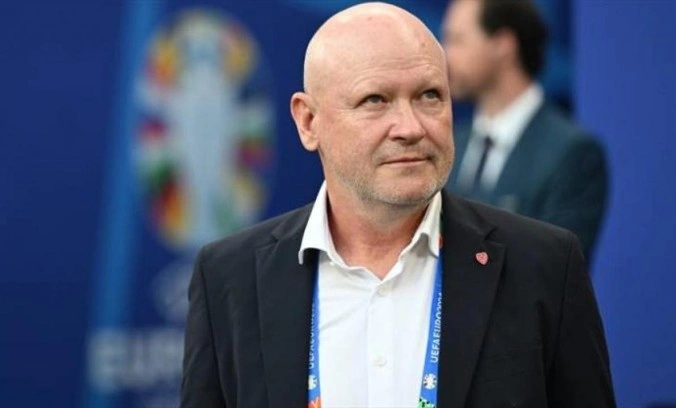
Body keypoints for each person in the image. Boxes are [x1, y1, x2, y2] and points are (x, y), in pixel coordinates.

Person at [181, 2, 615, 407]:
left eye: (430, 96)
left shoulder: (543, 266)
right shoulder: (229, 278)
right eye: (376, 100)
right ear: (309, 121)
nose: (410, 127)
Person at [443, 0, 609, 261]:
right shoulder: (449, 144)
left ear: (503, 45)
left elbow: (555, 267)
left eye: (457, 40)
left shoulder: (572, 153)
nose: (445, 56)